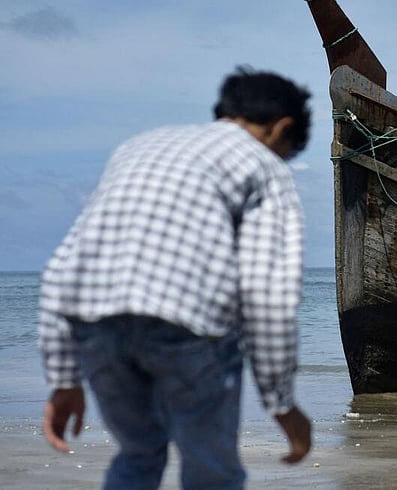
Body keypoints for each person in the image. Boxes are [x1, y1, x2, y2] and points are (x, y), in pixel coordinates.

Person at [38, 67, 313, 489]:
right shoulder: (263, 166)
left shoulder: (138, 148)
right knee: (210, 470)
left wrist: (63, 379)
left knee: (139, 453)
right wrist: (281, 402)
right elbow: (266, 293)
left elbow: (66, 266)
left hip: (95, 327)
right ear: (282, 128)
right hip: (187, 327)